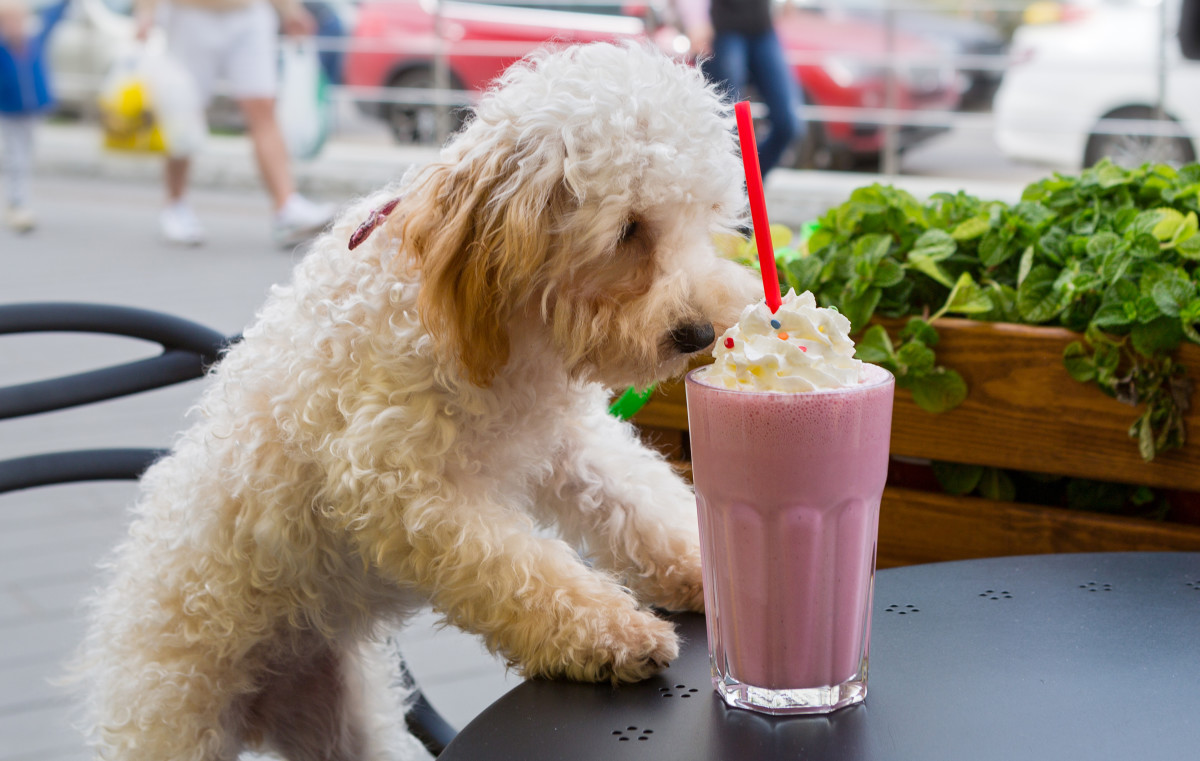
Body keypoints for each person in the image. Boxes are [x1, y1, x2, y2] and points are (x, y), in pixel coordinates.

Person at [134, 0, 335, 247]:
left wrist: (290, 10)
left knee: (262, 107)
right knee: (184, 111)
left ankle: (286, 207)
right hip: (189, 13)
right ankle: (176, 205)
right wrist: (145, 11)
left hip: (249, 12)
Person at [675, 0, 803, 178]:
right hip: (722, 31)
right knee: (726, 128)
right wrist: (696, 21)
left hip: (763, 27)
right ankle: (729, 188)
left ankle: (746, 184)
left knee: (788, 124)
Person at [0, 0, 66, 234]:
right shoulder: (2, 50)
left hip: (32, 111)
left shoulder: (34, 41)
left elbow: (55, 15)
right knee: (15, 157)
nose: (16, 26)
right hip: (9, 112)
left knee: (25, 155)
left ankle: (19, 201)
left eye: (19, 20)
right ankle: (18, 203)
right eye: (9, 21)